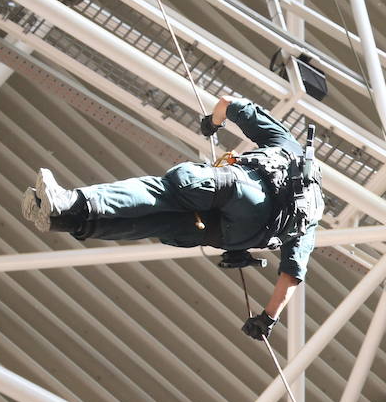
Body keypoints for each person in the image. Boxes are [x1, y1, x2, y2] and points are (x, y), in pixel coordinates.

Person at [19, 96, 323, 341]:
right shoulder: (309, 218)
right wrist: (266, 319)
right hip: (224, 233)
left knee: (165, 190)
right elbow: (291, 275)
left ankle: (68, 203)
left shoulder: (288, 147)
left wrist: (212, 124)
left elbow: (229, 104)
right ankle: (70, 222)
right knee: (156, 223)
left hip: (236, 189)